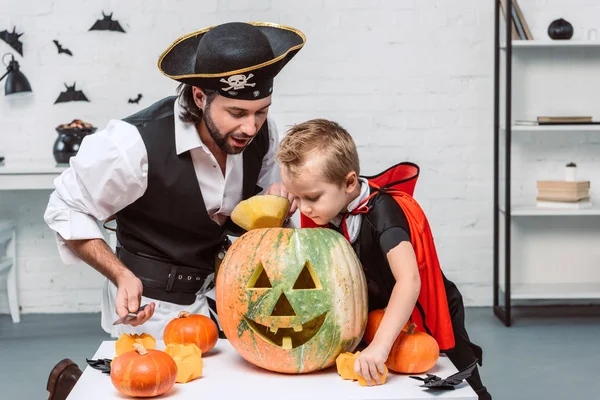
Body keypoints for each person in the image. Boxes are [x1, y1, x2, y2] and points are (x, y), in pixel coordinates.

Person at [43, 22, 305, 339]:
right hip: (151, 308)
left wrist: (281, 209)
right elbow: (66, 208)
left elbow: (256, 221)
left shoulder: (264, 135)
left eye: (260, 111)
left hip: (226, 300)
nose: (250, 127)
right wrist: (120, 275)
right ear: (199, 97)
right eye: (236, 113)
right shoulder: (132, 144)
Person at [276, 119, 492, 400]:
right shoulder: (327, 208)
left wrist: (380, 345)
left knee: (456, 375)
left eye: (312, 197)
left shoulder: (384, 215)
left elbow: (409, 280)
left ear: (350, 182)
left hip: (422, 307)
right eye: (296, 197)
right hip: (379, 312)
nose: (303, 207)